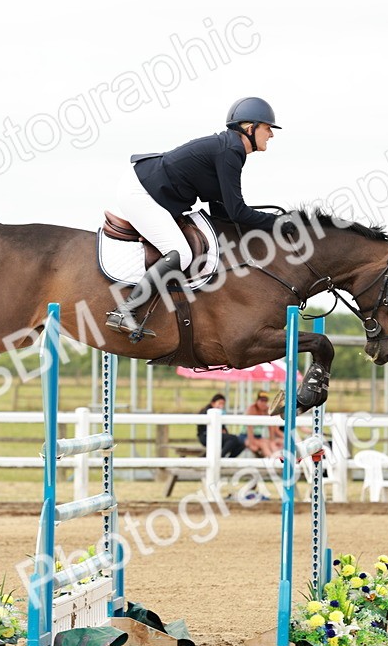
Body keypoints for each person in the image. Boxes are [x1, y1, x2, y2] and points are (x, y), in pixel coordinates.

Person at [105, 96, 285, 336]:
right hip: (140, 191)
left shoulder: (229, 149)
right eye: (267, 127)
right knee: (182, 253)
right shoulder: (230, 150)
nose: (271, 134)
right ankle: (124, 311)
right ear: (249, 128)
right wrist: (278, 223)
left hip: (147, 187)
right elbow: (237, 211)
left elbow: (222, 210)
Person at [196, 393, 245, 458]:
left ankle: (226, 459)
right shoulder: (205, 412)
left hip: (218, 435)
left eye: (223, 404)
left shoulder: (220, 413)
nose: (221, 406)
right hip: (206, 436)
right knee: (232, 439)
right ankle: (219, 457)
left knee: (240, 443)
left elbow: (223, 428)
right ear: (213, 403)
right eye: (219, 403)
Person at [243, 391, 284, 458]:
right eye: (261, 401)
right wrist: (251, 443)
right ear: (257, 401)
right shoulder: (252, 409)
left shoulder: (267, 410)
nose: (263, 403)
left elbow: (271, 427)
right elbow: (249, 427)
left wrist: (272, 440)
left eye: (265, 401)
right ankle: (273, 459)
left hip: (258, 437)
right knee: (263, 444)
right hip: (246, 436)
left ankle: (278, 459)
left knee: (270, 443)